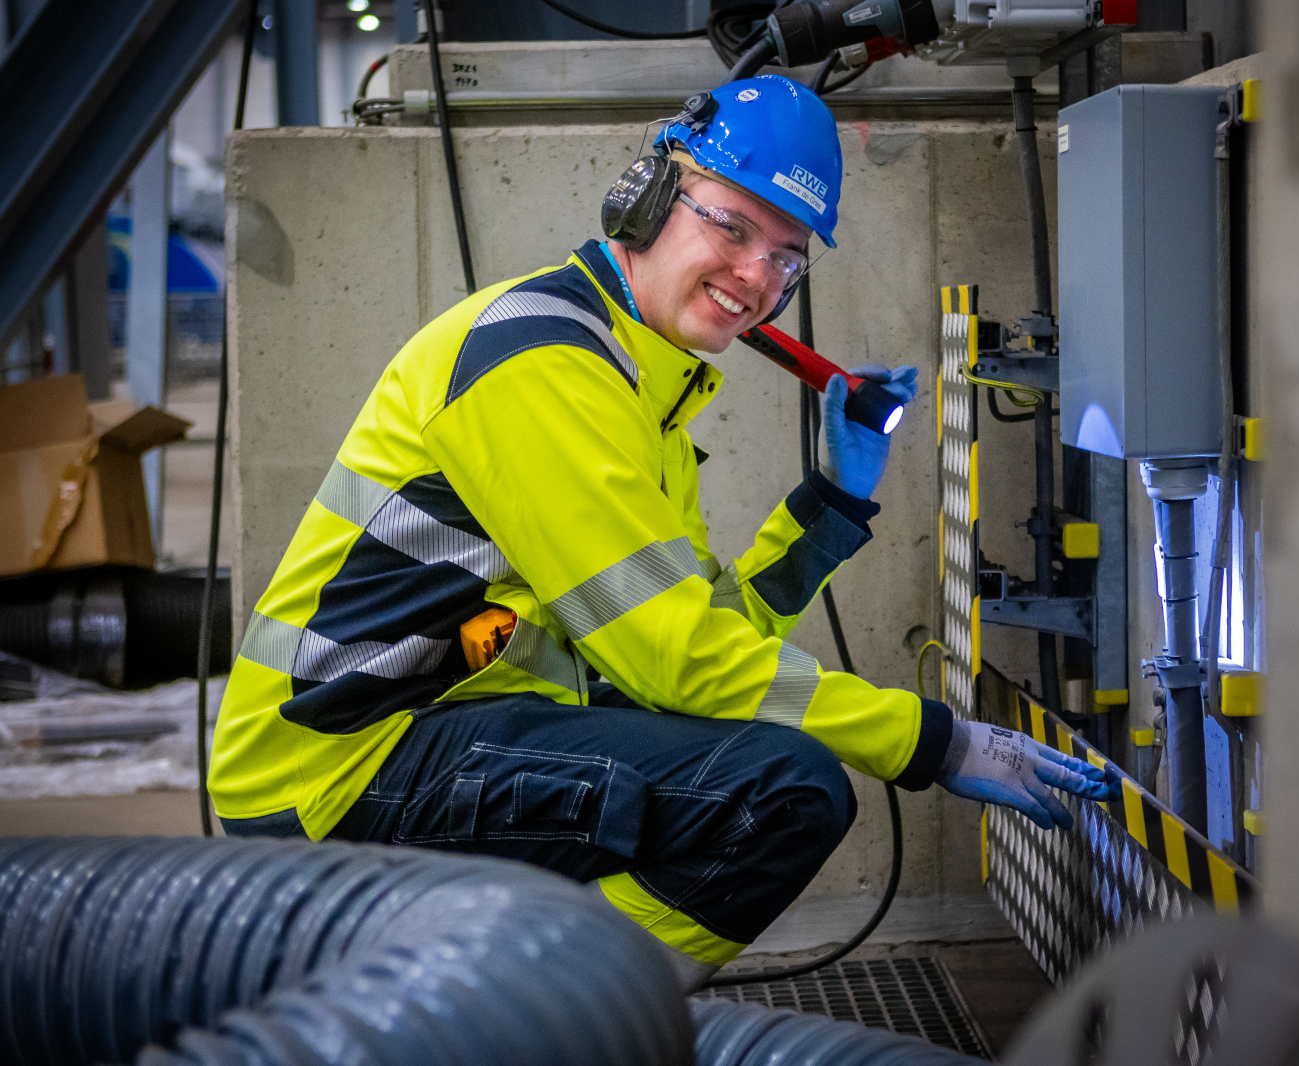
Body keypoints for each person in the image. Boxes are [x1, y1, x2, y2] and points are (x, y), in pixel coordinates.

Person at [208, 76, 1114, 985]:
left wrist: (832, 503)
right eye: (731, 226)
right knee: (783, 793)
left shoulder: (639, 387)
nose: (758, 278)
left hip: (426, 735)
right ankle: (530, 1018)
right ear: (643, 199)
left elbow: (709, 632)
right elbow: (675, 660)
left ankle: (523, 1002)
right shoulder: (541, 366)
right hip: (336, 769)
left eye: (786, 258)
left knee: (735, 760)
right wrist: (937, 742)